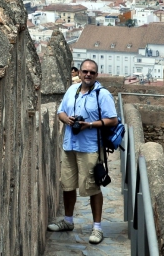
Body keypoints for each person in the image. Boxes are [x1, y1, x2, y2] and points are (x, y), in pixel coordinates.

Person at [48, 59, 118, 245]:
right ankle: (68, 221)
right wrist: (68, 120)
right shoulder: (72, 90)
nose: (88, 75)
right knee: (68, 184)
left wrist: (91, 125)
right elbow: (60, 112)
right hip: (70, 145)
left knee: (93, 187)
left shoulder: (102, 95)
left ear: (96, 75)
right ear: (79, 73)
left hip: (90, 147)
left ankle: (97, 228)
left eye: (92, 72)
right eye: (85, 71)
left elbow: (113, 120)